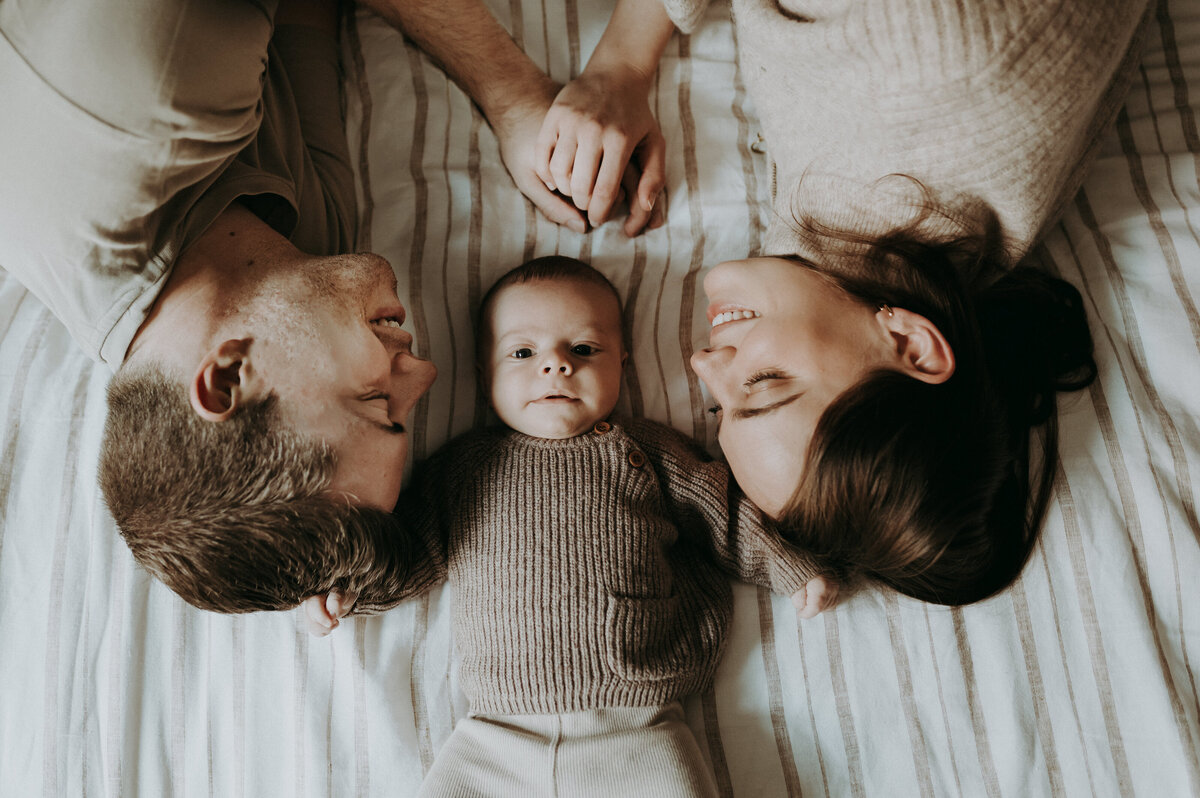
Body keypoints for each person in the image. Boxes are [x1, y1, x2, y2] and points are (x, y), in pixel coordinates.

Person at [0, 0, 666, 612]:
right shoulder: (299, 264)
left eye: (377, 401)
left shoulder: (144, 96)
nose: (426, 373)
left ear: (229, 374)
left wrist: (513, 95)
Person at [534, 0, 1151, 603]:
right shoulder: (920, 61)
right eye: (767, 383)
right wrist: (619, 64)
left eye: (722, 409)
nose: (703, 363)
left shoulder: (925, 252)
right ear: (910, 343)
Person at [304, 257, 835, 796]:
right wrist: (350, 589)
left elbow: (725, 514)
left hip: (639, 723)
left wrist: (789, 565)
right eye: (523, 352)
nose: (556, 365)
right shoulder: (463, 467)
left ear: (623, 362)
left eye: (583, 349)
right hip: (495, 732)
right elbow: (414, 548)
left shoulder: (649, 452)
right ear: (486, 372)